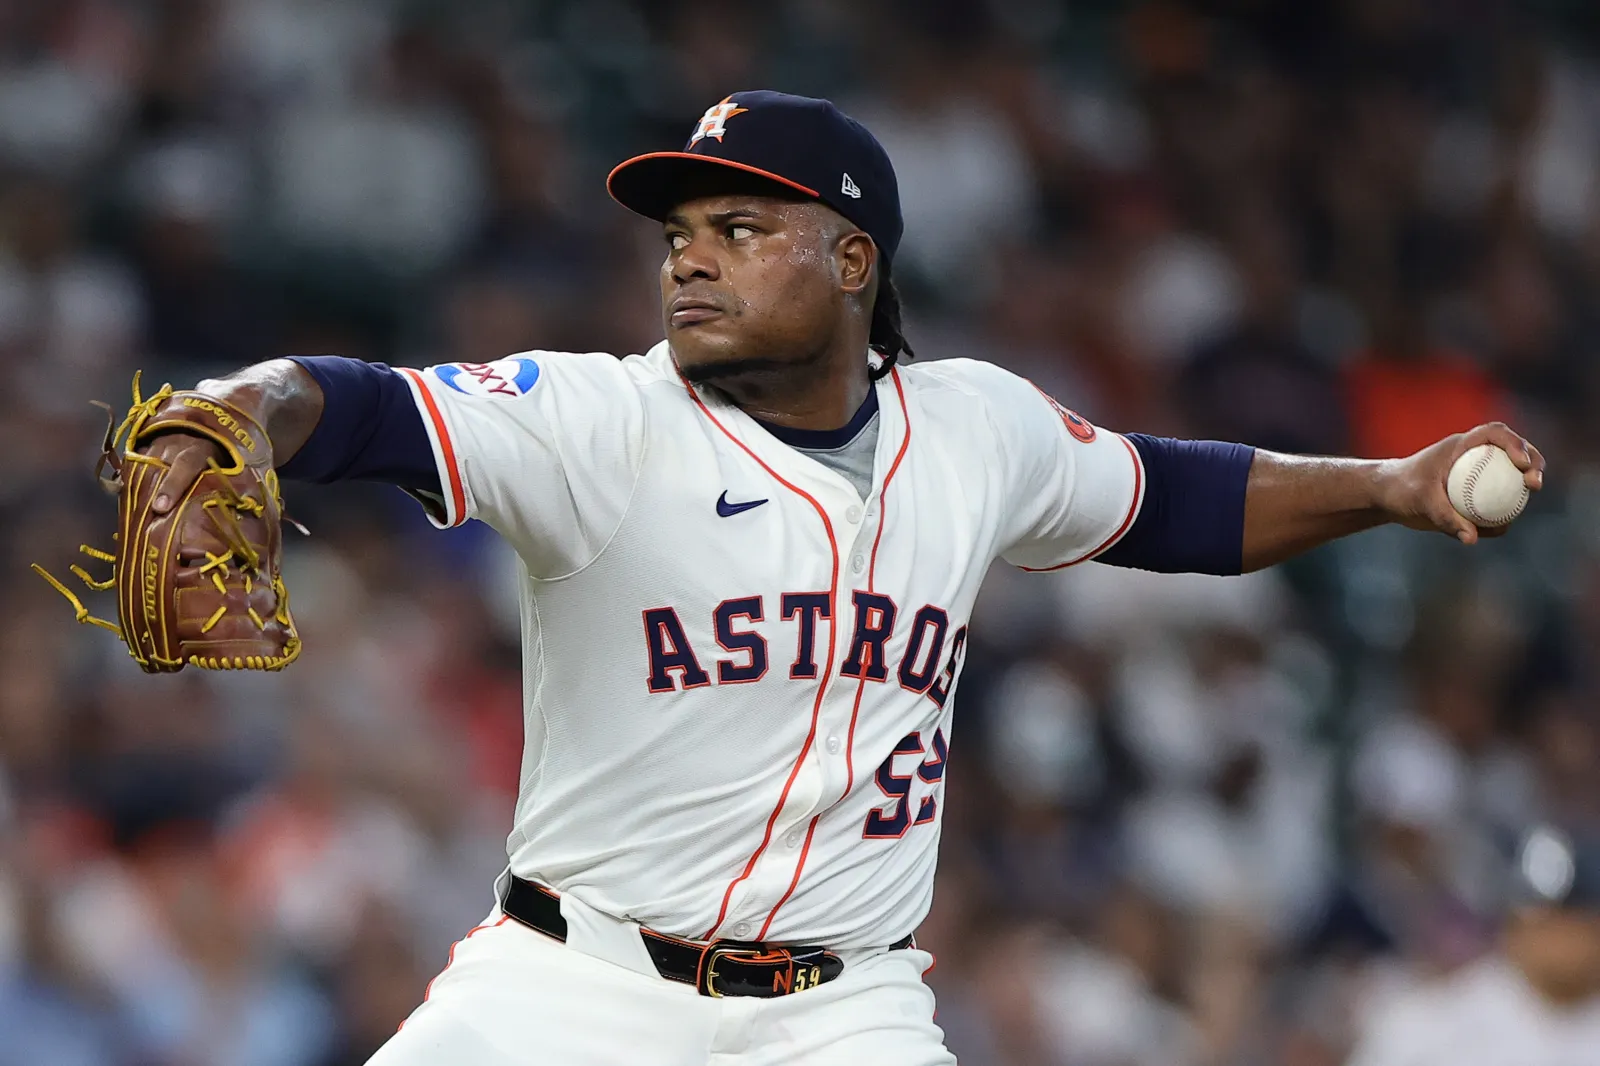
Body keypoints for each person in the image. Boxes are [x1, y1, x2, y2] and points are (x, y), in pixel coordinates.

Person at [126, 91, 1544, 1065]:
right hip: (574, 982)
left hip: (839, 1010)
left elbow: (1172, 495)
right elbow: (359, 402)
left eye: (741, 231)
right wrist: (238, 411)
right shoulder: (600, 418)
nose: (691, 261)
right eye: (682, 235)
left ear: (853, 257)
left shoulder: (976, 427)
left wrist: (1386, 487)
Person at [1348, 825, 1600, 1066]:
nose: (1564, 940)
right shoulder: (1431, 1025)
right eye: (1548, 922)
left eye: (1578, 921)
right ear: (1514, 925)